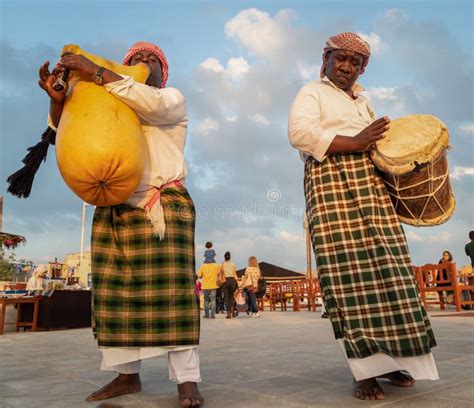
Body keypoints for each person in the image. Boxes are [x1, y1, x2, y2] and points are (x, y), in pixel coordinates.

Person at [38, 41, 203, 407]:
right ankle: (126, 376)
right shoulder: (107, 100)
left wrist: (93, 71)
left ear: (163, 72)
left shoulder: (170, 99)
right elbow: (62, 127)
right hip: (113, 202)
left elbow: (148, 101)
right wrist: (58, 97)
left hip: (164, 204)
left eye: (151, 61)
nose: (144, 63)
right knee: (116, 296)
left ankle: (187, 381)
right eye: (136, 60)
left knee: (174, 296)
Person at [288, 32, 438, 401]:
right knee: (349, 276)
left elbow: (378, 145)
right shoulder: (312, 92)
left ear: (363, 68)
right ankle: (364, 370)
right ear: (325, 59)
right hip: (331, 184)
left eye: (356, 63)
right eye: (341, 59)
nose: (347, 67)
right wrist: (356, 141)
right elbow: (299, 133)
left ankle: (393, 361)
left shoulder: (365, 101)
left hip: (370, 187)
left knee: (391, 272)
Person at [221, 252, 239, 318]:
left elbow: (221, 273)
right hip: (232, 280)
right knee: (231, 296)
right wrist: (238, 282)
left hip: (225, 281)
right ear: (230, 257)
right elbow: (234, 274)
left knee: (226, 297)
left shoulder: (222, 264)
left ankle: (228, 313)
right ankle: (232, 311)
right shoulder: (233, 264)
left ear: (224, 257)